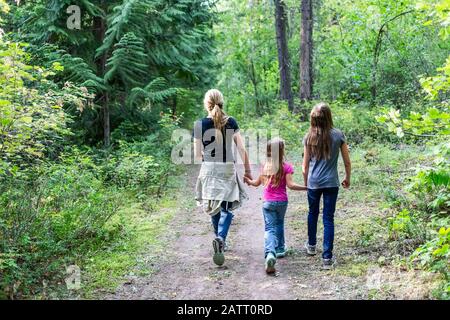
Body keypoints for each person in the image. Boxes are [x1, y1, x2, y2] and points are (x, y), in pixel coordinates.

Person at [194, 89, 252, 266]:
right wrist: (248, 171)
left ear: (207, 103)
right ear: (222, 102)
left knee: (213, 207)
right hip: (227, 168)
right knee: (227, 207)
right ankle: (221, 238)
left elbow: (197, 155)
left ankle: (218, 238)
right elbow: (242, 150)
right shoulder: (231, 122)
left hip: (209, 167)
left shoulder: (199, 124)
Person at [244, 138, 306, 274]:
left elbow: (256, 183)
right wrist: (306, 188)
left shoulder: (265, 167)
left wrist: (248, 181)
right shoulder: (286, 167)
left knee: (269, 228)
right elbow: (290, 185)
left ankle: (270, 253)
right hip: (282, 202)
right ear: (282, 150)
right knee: (279, 224)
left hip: (268, 203)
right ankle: (280, 249)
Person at [302, 102, 352, 269]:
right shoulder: (338, 135)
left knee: (313, 213)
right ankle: (327, 258)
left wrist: (305, 183)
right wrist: (347, 177)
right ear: (329, 116)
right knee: (328, 218)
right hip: (331, 183)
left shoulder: (309, 137)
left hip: (314, 183)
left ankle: (311, 246)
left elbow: (304, 166)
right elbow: (347, 161)